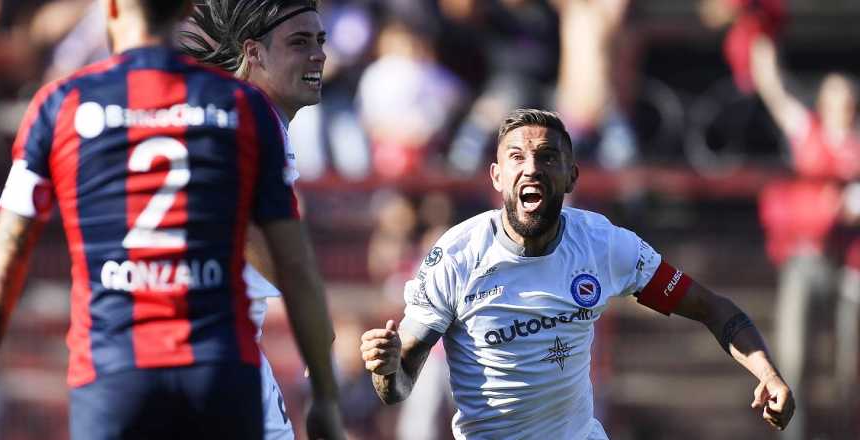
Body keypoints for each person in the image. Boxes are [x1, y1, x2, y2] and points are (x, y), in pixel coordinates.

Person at [0, 1, 344, 439]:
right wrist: (325, 394)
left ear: (111, 8)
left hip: (114, 373)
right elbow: (295, 269)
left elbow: (4, 259)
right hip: (220, 368)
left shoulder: (62, 104)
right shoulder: (240, 107)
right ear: (186, 8)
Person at [359, 109, 794, 439]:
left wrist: (768, 374)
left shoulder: (601, 245)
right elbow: (396, 389)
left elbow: (712, 309)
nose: (531, 167)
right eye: (517, 157)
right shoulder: (456, 255)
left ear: (571, 176)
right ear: (496, 176)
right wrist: (386, 366)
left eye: (548, 158)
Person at [181, 2, 329, 439]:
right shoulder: (252, 115)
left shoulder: (227, 111)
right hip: (217, 348)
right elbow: (258, 236)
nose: (318, 54)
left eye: (320, 41)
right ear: (255, 52)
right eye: (299, 42)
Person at [750, 35, 860, 440]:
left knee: (850, 365)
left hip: (851, 265)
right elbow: (774, 91)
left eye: (847, 99)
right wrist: (762, 43)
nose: (840, 107)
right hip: (805, 259)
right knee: (794, 358)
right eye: (834, 98)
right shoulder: (807, 132)